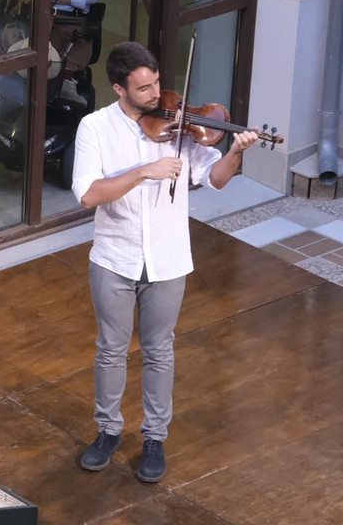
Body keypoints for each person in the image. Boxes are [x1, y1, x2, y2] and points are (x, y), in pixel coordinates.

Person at [72, 42, 257, 483]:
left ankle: (154, 437)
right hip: (114, 256)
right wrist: (142, 172)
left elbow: (214, 178)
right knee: (110, 350)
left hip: (169, 259)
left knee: (159, 351)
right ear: (119, 88)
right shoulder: (94, 128)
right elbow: (87, 195)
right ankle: (108, 430)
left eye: (156, 82)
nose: (156, 94)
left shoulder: (179, 125)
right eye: (143, 88)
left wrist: (235, 151)